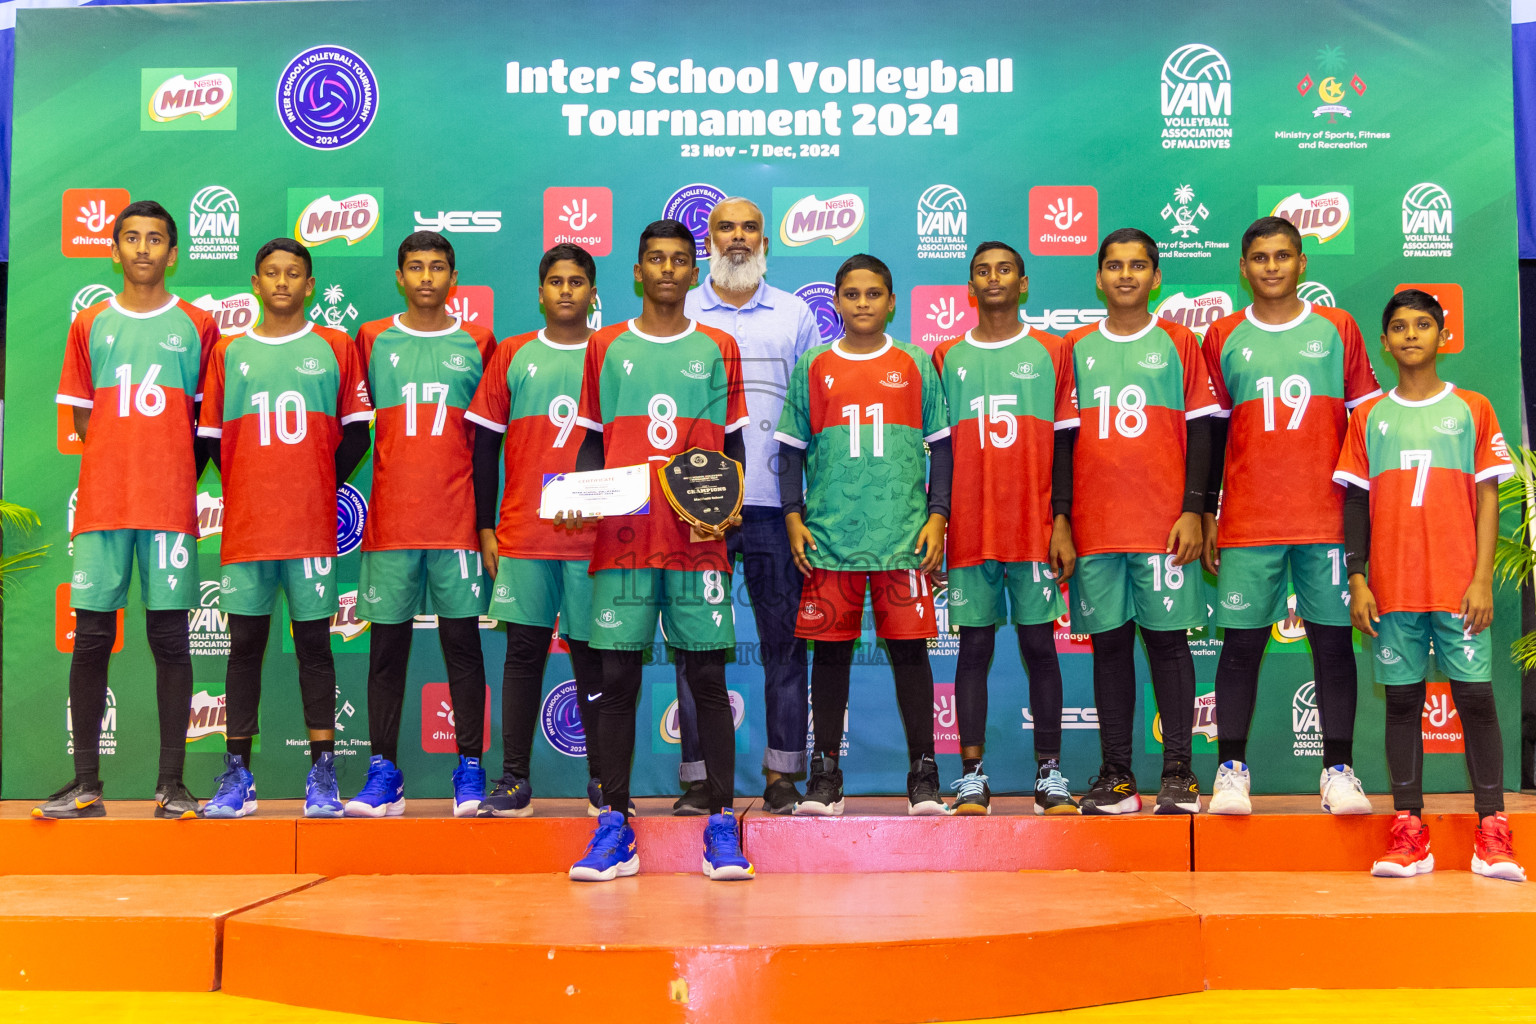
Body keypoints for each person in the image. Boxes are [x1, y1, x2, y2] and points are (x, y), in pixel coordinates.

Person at [565, 219, 753, 882]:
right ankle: (615, 823)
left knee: (706, 680)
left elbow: (733, 449)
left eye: (680, 260)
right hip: (623, 541)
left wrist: (726, 516)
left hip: (696, 544)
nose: (668, 270)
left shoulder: (720, 346)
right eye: (656, 260)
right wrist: (582, 500)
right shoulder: (606, 346)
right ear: (638, 272)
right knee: (616, 683)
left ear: (692, 270)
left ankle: (723, 825)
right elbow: (591, 442)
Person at [37, 200, 219, 820]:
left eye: (156, 239)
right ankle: (86, 784)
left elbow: (203, 424)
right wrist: (124, 461)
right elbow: (86, 419)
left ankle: (172, 786)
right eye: (132, 238)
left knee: (170, 638)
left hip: (168, 509)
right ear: (114, 251)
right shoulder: (90, 323)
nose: (144, 248)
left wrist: (163, 471)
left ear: (174, 252)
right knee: (91, 639)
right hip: (105, 505)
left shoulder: (198, 324)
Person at [1335, 289, 1523, 881]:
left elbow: (1489, 501)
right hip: (1392, 590)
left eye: (1423, 325)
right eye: (1398, 326)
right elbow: (1356, 505)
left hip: (1458, 586)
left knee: (1475, 700)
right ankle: (1409, 831)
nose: (1411, 334)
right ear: (1385, 341)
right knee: (1402, 704)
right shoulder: (1367, 416)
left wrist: (1481, 579)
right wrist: (1359, 577)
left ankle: (1492, 831)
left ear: (1444, 336)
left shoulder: (1472, 408)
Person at [1201, 216, 1380, 816]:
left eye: (1283, 255)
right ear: (1244, 266)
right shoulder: (1223, 335)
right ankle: (1230, 772)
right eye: (1259, 257)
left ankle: (1338, 773)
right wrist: (1204, 514)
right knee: (1241, 648)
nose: (1271, 266)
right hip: (1249, 520)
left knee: (1332, 647)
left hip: (1327, 519)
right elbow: (1210, 434)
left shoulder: (1338, 328)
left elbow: (1367, 426)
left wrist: (1367, 516)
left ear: (1303, 263)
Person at [195, 238, 373, 819]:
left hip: (309, 528)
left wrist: (318, 488)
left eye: (293, 274)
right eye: (271, 273)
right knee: (243, 648)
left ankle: (322, 773)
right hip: (247, 527)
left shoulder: (336, 346)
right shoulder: (229, 352)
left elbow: (357, 434)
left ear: (310, 284)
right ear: (254, 281)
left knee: (314, 647)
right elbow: (213, 441)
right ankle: (237, 775)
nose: (281, 283)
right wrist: (250, 485)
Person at [777, 253, 952, 818]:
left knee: (910, 655)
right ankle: (826, 776)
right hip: (829, 539)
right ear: (836, 301)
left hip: (904, 537)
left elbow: (943, 446)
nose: (862, 303)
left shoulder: (916, 363)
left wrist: (937, 515)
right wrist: (792, 516)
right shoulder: (813, 365)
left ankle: (924, 773)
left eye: (873, 293)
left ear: (891, 301)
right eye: (851, 294)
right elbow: (789, 450)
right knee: (829, 658)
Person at [1060, 228, 1217, 816]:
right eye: (1114, 265)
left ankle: (1179, 773)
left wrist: (1195, 510)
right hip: (1097, 528)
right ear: (1099, 277)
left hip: (1164, 527)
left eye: (1138, 265)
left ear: (1156, 277)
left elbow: (1203, 430)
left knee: (1169, 647)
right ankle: (1118, 776)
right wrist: (1062, 520)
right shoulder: (1073, 347)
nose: (1126, 274)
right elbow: (1063, 443)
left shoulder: (1180, 340)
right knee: (1109, 651)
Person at [671, 196, 820, 815]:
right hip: (693, 508)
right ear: (709, 238)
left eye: (749, 228)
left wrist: (801, 506)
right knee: (695, 647)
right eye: (725, 227)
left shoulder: (794, 315)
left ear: (765, 241)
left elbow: (813, 414)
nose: (737, 237)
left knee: (784, 646)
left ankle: (782, 776)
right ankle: (701, 780)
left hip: (773, 506)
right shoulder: (677, 312)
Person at [345, 231, 496, 818]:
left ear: (453, 278)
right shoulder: (371, 338)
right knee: (387, 649)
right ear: (400, 278)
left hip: (456, 523)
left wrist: (485, 522)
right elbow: (354, 427)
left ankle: (470, 771)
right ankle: (384, 772)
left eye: (438, 267)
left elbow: (486, 446)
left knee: (462, 646)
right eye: (415, 267)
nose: (427, 277)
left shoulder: (478, 341)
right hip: (391, 524)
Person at [932, 241, 1077, 815]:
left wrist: (1061, 518)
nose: (993, 279)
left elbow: (1067, 440)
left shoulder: (1051, 350)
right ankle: (972, 776)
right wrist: (939, 519)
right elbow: (937, 451)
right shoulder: (945, 356)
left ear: (1024, 283)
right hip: (970, 527)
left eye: (1005, 270)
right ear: (971, 287)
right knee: (974, 647)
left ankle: (1050, 774)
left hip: (1034, 525)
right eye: (982, 271)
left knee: (1041, 645)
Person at [467, 244, 607, 816]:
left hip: (596, 539)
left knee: (593, 658)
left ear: (593, 292)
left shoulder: (612, 353)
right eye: (555, 281)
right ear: (540, 291)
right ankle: (513, 780)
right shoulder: (513, 353)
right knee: (522, 655)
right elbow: (483, 446)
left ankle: (606, 780)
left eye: (577, 281)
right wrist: (484, 527)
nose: (566, 290)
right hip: (525, 535)